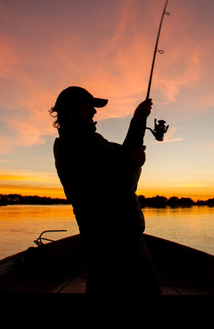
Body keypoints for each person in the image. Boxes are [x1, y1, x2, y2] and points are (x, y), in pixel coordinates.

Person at [50, 86, 160, 296]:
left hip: (123, 240)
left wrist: (138, 120)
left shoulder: (90, 141)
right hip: (111, 246)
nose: (94, 112)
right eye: (89, 107)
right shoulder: (77, 146)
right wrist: (137, 163)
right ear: (71, 110)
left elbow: (125, 153)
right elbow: (120, 186)